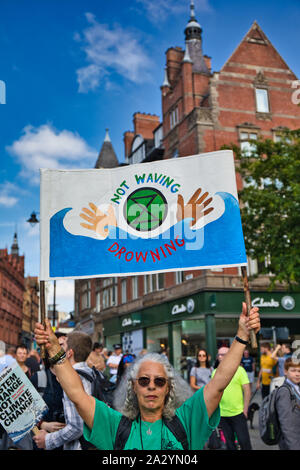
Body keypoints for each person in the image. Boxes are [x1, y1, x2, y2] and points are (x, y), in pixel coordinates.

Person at [34, 302, 260, 450]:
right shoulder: (114, 426)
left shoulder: (187, 420)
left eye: (159, 381)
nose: (151, 386)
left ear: (168, 388)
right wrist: (56, 351)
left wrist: (241, 335)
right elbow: (76, 393)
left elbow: (219, 383)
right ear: (134, 387)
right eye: (144, 380)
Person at [33, 331, 94, 450]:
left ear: (69, 353)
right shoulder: (93, 374)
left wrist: (48, 440)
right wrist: (43, 424)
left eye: (62, 347)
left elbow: (77, 427)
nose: (58, 351)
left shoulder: (72, 378)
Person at [212, 346, 252, 450]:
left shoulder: (239, 370)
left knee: (244, 442)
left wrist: (245, 409)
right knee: (229, 444)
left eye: (224, 354)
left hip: (238, 413)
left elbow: (247, 391)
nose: (221, 357)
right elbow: (214, 393)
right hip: (223, 414)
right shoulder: (215, 372)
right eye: (219, 354)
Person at [275, 357, 300, 450]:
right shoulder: (285, 392)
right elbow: (286, 424)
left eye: (299, 371)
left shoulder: (296, 387)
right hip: (292, 443)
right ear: (285, 371)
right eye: (293, 370)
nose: (297, 374)